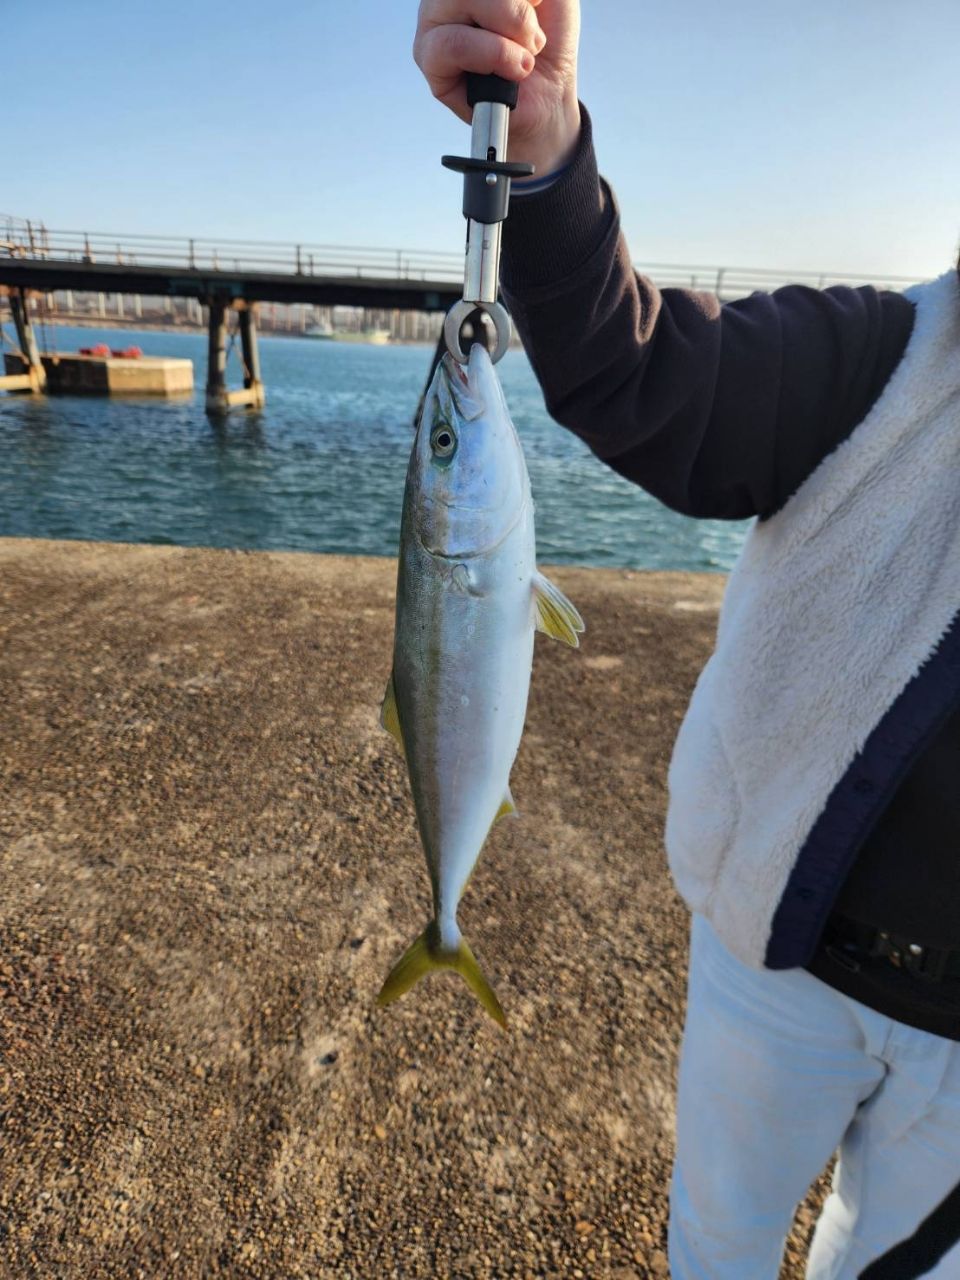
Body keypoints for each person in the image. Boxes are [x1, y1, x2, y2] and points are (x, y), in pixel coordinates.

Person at [414, 3, 960, 1278]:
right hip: (777, 953)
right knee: (714, 1241)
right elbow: (645, 373)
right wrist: (541, 156)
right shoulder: (888, 360)